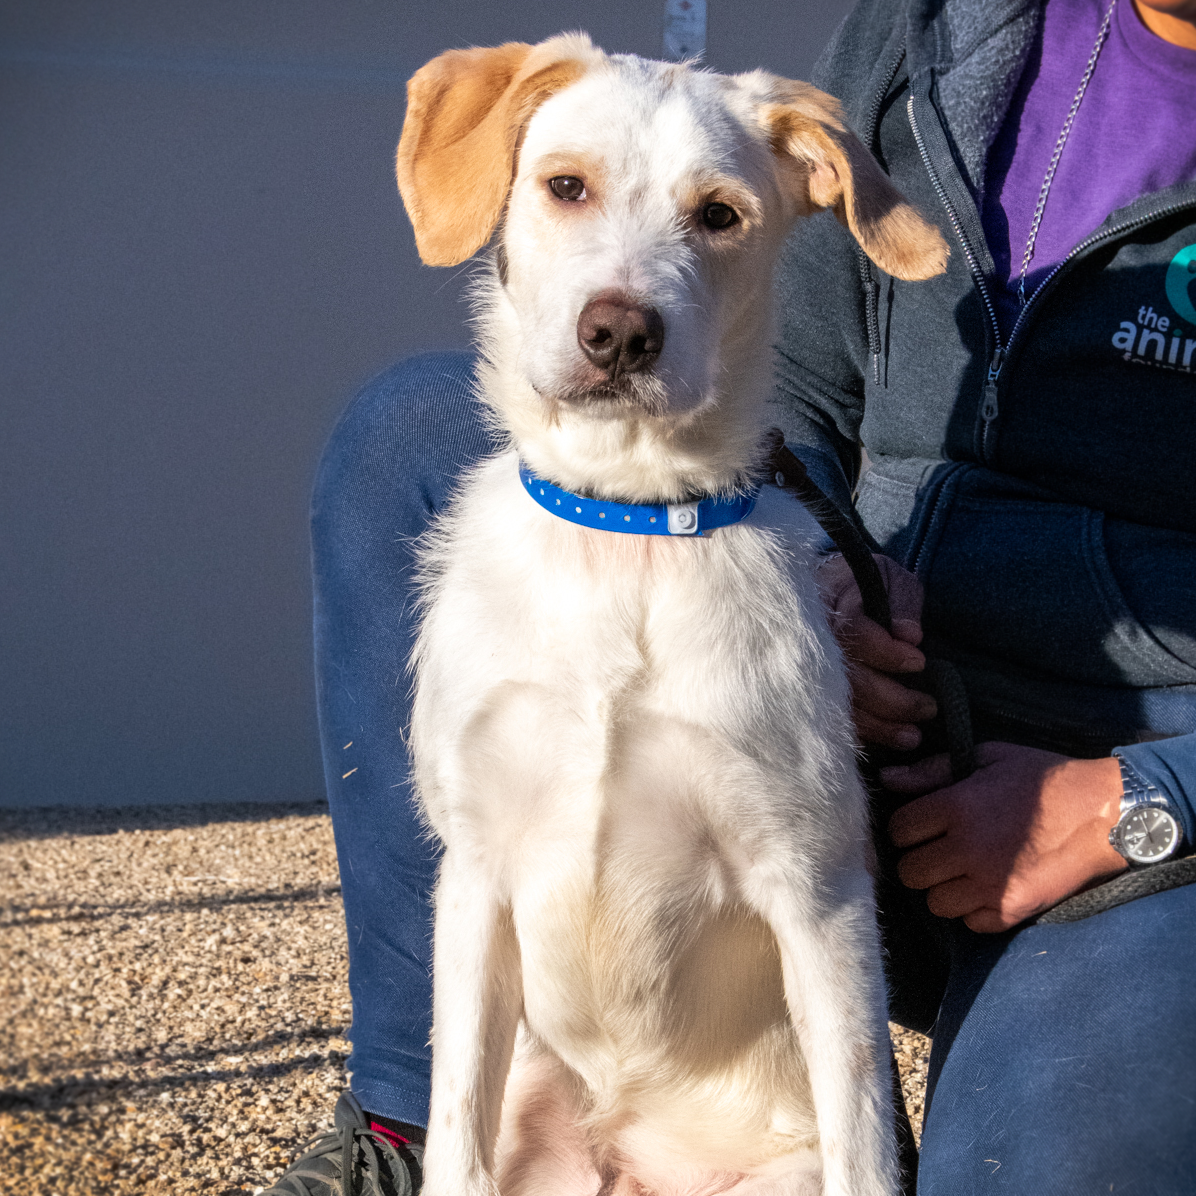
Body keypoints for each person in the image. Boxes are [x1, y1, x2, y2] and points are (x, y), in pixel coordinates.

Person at [262, 0, 1196, 1192]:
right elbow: (791, 367)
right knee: (407, 432)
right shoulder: (942, 25)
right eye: (567, 192)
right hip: (836, 663)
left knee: (1046, 1169)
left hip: (1109, 782)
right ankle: (411, 1122)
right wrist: (824, 566)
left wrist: (1144, 797)